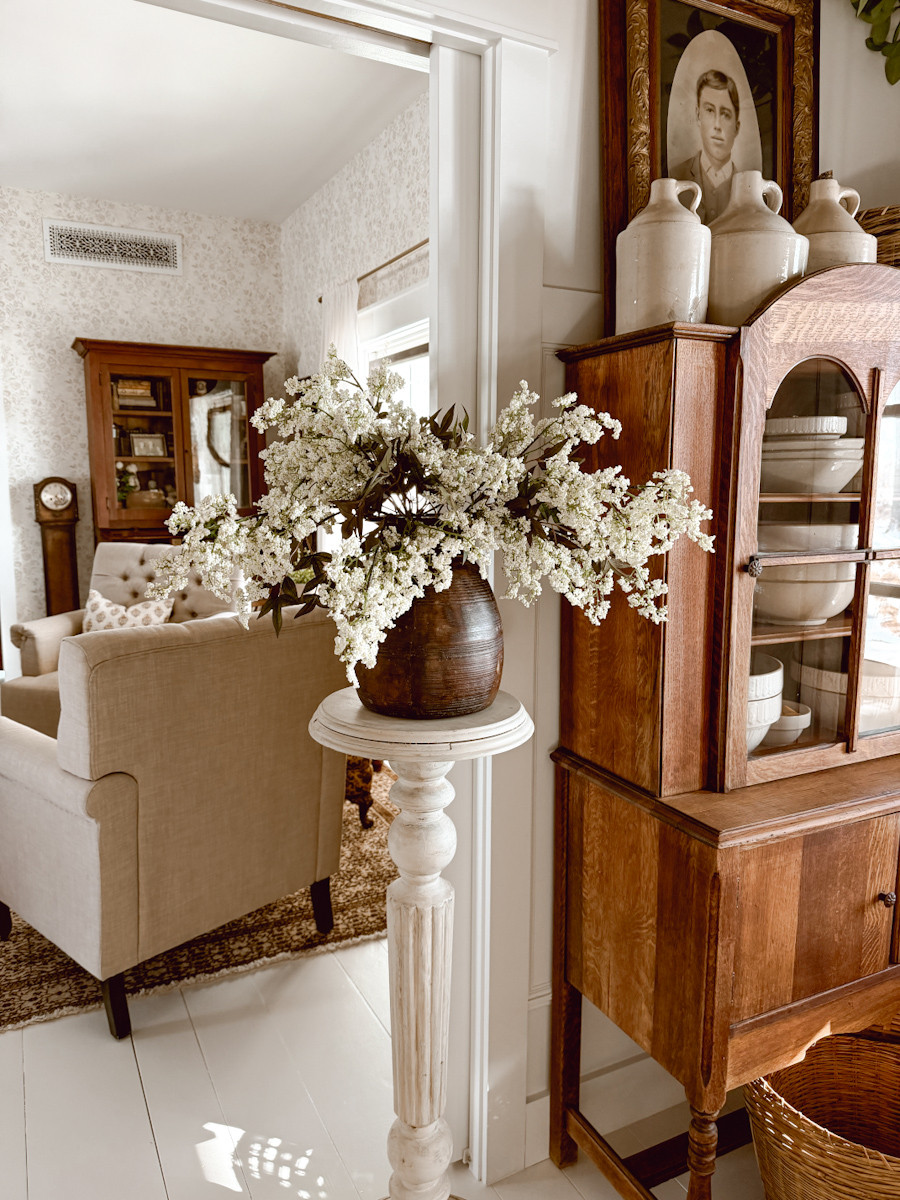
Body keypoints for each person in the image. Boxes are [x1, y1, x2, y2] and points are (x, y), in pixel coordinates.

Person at [671, 69, 741, 224]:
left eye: (725, 114)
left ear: (736, 127)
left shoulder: (748, 190)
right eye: (709, 110)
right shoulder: (674, 178)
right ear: (698, 116)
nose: (717, 125)